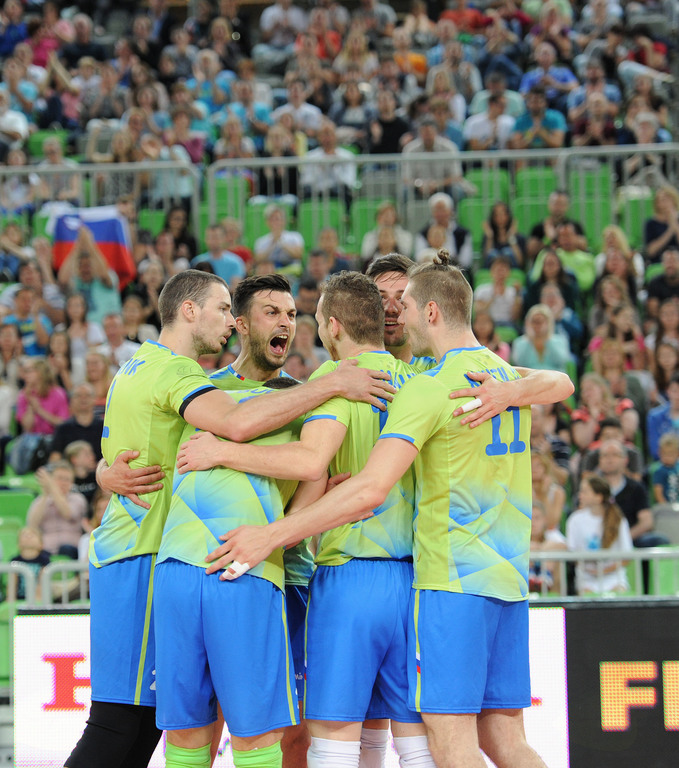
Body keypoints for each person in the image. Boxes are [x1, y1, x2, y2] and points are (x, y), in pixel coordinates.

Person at [212, 251, 572, 768]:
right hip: (490, 581)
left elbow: (351, 481)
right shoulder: (487, 375)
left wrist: (271, 531)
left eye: (405, 303)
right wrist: (515, 391)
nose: (395, 313)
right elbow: (561, 382)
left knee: (393, 743)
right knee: (493, 740)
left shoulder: (407, 383)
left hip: (426, 581)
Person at [65, 269, 394, 768]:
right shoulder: (203, 390)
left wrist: (308, 507)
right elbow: (195, 432)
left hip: (278, 572)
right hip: (180, 561)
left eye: (292, 314)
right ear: (240, 324)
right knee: (177, 725)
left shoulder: (308, 395)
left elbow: (313, 471)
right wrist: (106, 473)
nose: (286, 323)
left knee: (284, 733)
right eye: (271, 312)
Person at [566, 475, 632, 595]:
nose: (580, 495)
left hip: (614, 578)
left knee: (618, 595)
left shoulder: (619, 520)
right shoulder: (575, 520)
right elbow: (572, 552)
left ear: (598, 497)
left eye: (585, 492)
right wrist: (590, 570)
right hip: (586, 579)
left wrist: (604, 571)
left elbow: (626, 557)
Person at [26, 461, 88, 559]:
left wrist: (53, 489)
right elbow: (32, 525)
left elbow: (68, 513)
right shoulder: (41, 500)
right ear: (52, 479)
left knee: (66, 549)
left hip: (71, 549)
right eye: (59, 478)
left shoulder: (77, 499)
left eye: (67, 479)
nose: (63, 483)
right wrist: (45, 495)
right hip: (46, 549)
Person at [7, 526, 50, 603]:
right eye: (24, 535)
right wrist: (10, 603)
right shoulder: (15, 560)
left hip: (37, 599)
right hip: (19, 599)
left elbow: (41, 583)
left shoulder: (44, 560)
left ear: (41, 544)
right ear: (18, 544)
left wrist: (37, 603)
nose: (28, 537)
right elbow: (12, 584)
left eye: (33, 534)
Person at [653, 433, 679, 505]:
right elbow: (658, 493)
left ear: (677, 454)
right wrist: (666, 507)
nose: (667, 458)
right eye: (665, 454)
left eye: (670, 454)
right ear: (659, 453)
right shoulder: (659, 471)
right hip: (667, 507)